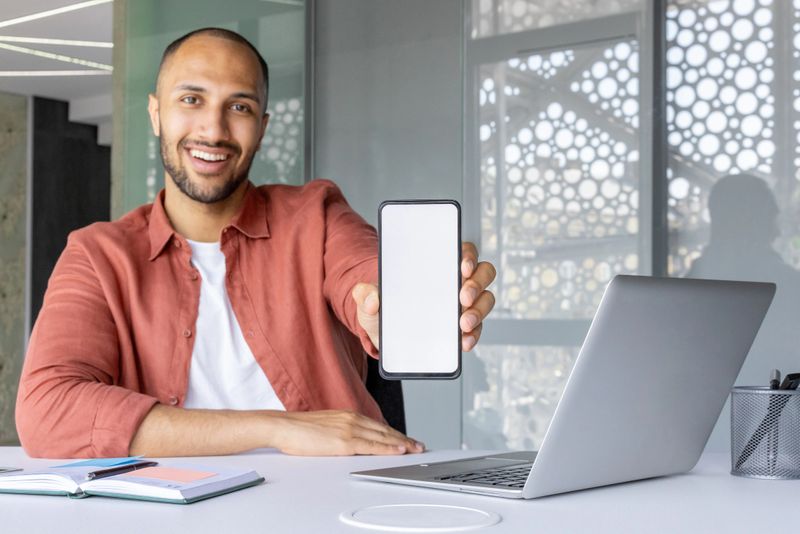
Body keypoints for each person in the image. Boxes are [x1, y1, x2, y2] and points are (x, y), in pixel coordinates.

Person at [15, 28, 496, 459]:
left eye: (239, 107)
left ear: (262, 128)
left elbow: (363, 273)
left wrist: (387, 307)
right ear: (156, 113)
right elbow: (47, 410)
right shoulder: (98, 255)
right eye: (191, 100)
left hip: (333, 509)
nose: (214, 130)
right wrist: (277, 430)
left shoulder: (317, 215)